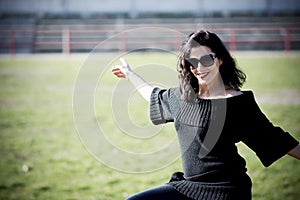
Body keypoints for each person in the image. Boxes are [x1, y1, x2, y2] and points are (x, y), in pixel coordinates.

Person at [111, 30, 300, 200]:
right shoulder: (182, 98)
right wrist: (130, 74)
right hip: (188, 188)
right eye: (192, 61)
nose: (199, 67)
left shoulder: (238, 103)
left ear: (220, 59)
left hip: (227, 191)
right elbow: (153, 94)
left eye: (207, 59)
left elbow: (276, 139)